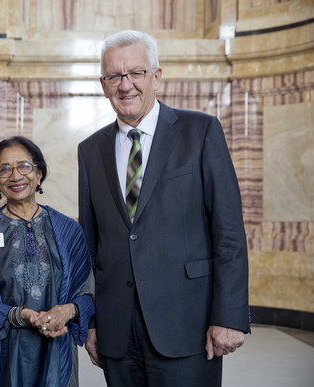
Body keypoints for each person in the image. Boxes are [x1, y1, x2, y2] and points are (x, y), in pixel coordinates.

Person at [77, 30, 250, 386]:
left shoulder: (200, 131)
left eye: (136, 73)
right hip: (117, 330)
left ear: (156, 76)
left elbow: (228, 230)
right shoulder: (90, 150)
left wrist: (229, 315)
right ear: (103, 84)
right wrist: (91, 323)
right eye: (114, 76)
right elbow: (89, 246)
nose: (125, 86)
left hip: (188, 323)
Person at [0, 136, 95, 387]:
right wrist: (17, 316)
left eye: (24, 166)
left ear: (39, 173)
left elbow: (88, 292)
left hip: (54, 352)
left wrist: (67, 311)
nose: (15, 176)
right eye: (4, 169)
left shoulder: (68, 231)